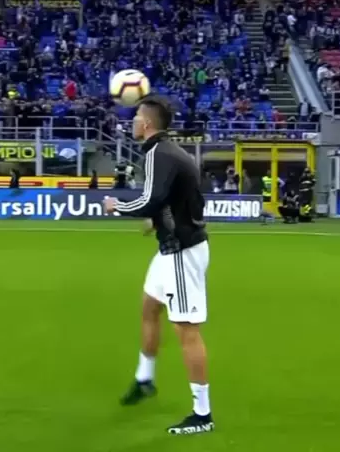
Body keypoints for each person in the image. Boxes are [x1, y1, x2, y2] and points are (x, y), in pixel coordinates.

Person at [103, 95, 213, 435]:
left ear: (148, 123)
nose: (133, 121)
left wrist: (117, 206)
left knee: (186, 329)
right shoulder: (170, 152)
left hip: (181, 252)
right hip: (171, 248)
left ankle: (203, 414)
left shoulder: (158, 154)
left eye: (137, 116)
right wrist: (158, 221)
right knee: (149, 307)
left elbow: (152, 198)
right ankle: (145, 378)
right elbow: (184, 197)